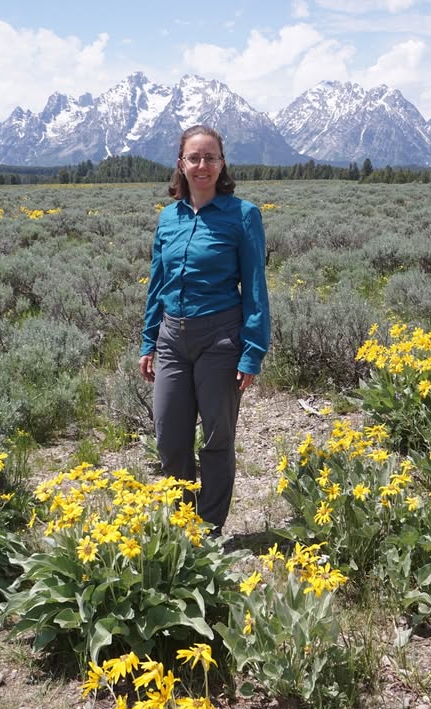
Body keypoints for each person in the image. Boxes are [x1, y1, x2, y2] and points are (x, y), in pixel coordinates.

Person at [139, 124, 270, 535]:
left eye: (210, 157)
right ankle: (184, 523)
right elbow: (157, 283)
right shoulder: (168, 218)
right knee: (169, 439)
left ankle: (209, 530)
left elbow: (255, 288)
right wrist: (148, 340)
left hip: (221, 338)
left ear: (222, 163)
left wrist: (252, 351)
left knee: (216, 440)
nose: (202, 165)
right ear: (181, 164)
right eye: (194, 158)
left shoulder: (243, 215)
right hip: (172, 338)